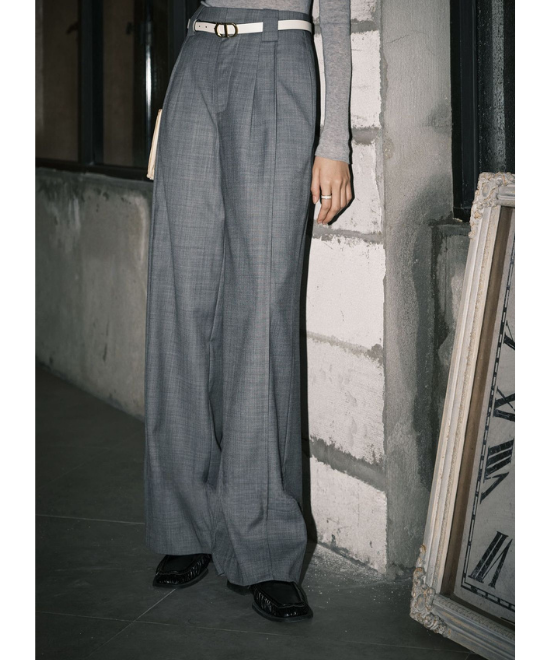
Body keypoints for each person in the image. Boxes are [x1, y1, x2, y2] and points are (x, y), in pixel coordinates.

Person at [144, 0, 352, 623]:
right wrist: (168, 105)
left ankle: (263, 548)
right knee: (178, 299)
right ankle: (184, 526)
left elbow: (337, 16)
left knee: (261, 308)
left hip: (275, 55)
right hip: (195, 59)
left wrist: (335, 140)